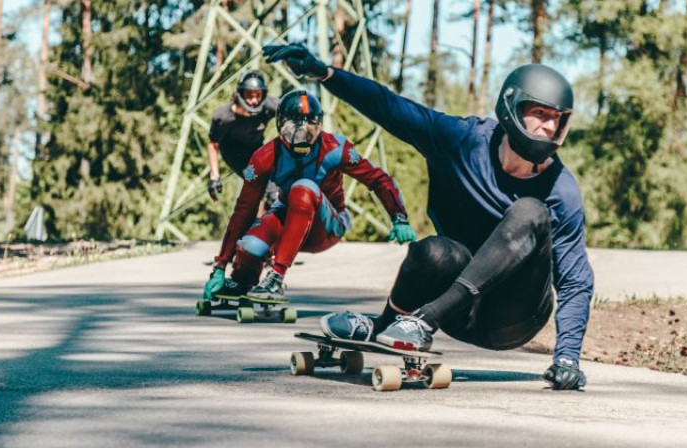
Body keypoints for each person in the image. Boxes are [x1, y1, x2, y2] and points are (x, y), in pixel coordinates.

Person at [263, 44, 593, 391]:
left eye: (556, 118)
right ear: (511, 108)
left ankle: (421, 321)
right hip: (456, 312)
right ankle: (386, 325)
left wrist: (567, 357)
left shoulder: (561, 191)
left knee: (531, 211)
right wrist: (324, 74)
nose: (548, 126)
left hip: (511, 317)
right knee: (433, 251)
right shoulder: (461, 140)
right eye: (539, 113)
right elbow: (390, 107)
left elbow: (575, 280)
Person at [202, 89, 417, 303]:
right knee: (250, 245)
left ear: (320, 126)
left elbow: (377, 178)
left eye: (310, 130)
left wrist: (399, 217)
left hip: (327, 225)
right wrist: (221, 265)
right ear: (279, 127)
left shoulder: (336, 148)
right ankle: (242, 281)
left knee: (304, 188)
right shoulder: (263, 157)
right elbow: (244, 210)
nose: (302, 137)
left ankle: (276, 277)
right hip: (287, 216)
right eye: (292, 130)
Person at [207, 69, 279, 210]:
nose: (254, 100)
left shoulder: (269, 107)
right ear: (240, 94)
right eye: (249, 95)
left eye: (258, 95)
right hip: (235, 155)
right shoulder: (224, 118)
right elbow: (213, 144)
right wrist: (214, 176)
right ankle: (268, 215)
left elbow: (292, 107)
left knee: (281, 174)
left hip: (256, 148)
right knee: (258, 179)